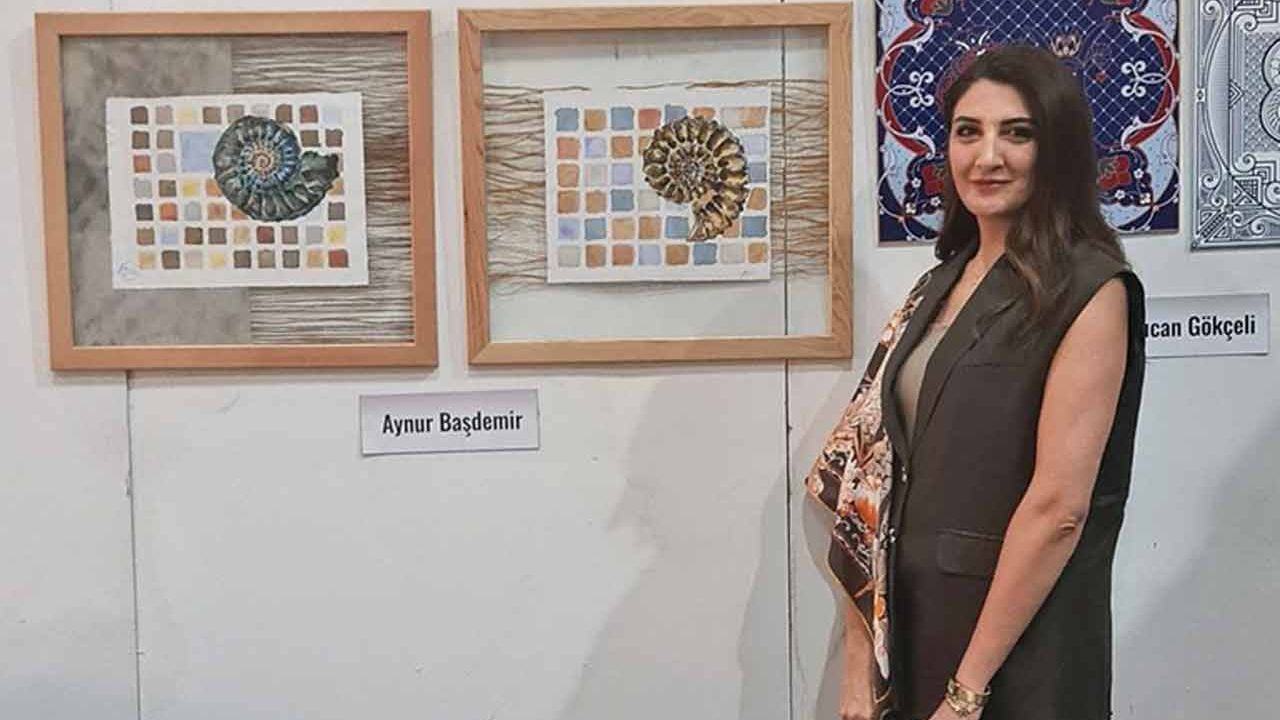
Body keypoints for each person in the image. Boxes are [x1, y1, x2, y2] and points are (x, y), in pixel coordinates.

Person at [807, 45, 1146, 720]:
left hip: (1024, 650)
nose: (987, 156)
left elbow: (1059, 510)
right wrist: (857, 659)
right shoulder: (937, 283)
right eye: (969, 131)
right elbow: (864, 474)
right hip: (914, 633)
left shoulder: (1091, 288)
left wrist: (967, 693)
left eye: (1016, 133)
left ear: (1056, 150)